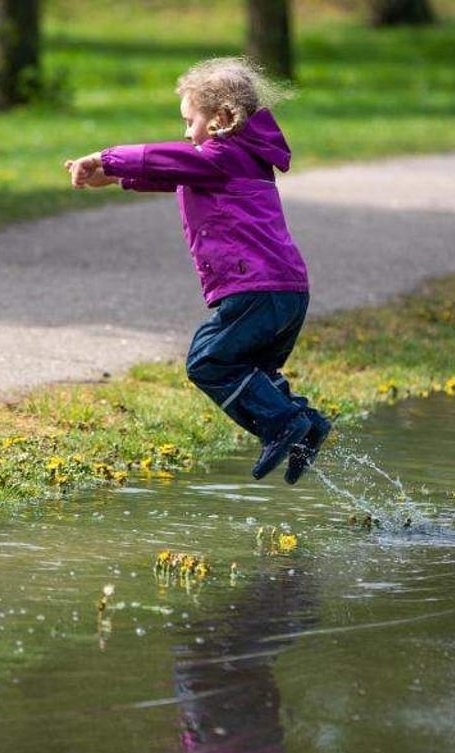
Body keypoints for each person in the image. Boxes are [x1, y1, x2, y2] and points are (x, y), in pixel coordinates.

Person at [64, 57, 330, 484]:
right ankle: (305, 425)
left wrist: (105, 158)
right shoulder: (239, 158)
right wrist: (113, 178)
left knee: (208, 360)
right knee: (247, 369)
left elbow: (171, 159)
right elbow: (179, 172)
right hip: (284, 290)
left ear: (223, 118)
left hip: (256, 289)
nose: (188, 133)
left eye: (191, 122)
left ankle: (283, 424)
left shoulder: (223, 155)